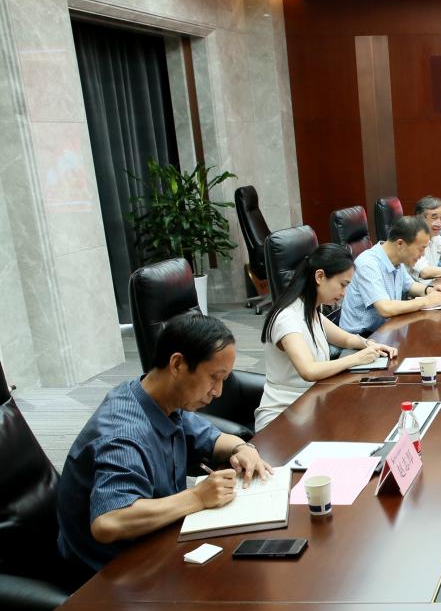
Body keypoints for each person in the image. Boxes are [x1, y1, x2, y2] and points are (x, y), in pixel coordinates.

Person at [55, 313, 274, 572]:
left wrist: (242, 448)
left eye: (223, 380)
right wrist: (197, 497)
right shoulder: (124, 434)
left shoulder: (158, 398)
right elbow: (109, 522)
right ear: (177, 364)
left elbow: (211, 438)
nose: (217, 391)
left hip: (157, 542)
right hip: (112, 572)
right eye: (213, 377)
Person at [256, 244, 399, 429]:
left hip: (310, 405)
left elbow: (346, 339)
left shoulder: (311, 310)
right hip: (282, 417)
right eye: (342, 284)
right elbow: (309, 370)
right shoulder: (287, 318)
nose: (344, 293)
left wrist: (370, 345)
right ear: (320, 276)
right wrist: (357, 358)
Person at [338, 214, 441, 337]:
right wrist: (426, 301)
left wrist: (430, 290)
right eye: (420, 249)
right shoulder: (368, 263)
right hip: (360, 338)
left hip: (387, 330)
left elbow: (410, 285)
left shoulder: (396, 259)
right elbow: (385, 309)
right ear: (400, 244)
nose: (423, 255)